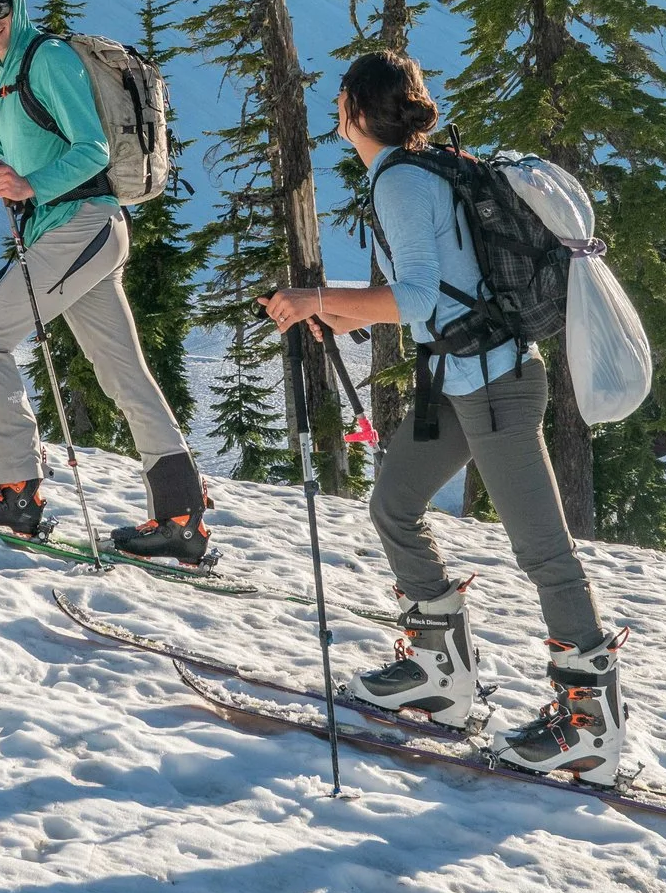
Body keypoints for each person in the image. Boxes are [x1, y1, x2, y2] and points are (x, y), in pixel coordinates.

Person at [259, 50, 629, 777]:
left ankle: (591, 725)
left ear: (357, 110)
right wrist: (334, 310)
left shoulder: (400, 178)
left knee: (546, 555)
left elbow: (420, 298)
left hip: (492, 387)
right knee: (394, 504)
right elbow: (443, 291)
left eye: (341, 99)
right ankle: (440, 674)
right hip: (466, 379)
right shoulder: (425, 169)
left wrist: (316, 300)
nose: (337, 110)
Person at [0, 0, 213, 562]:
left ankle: (15, 491)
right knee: (124, 377)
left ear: (17, 3)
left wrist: (31, 186)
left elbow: (93, 148)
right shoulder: (6, 74)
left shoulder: (47, 58)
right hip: (74, 232)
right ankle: (181, 519)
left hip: (79, 225)